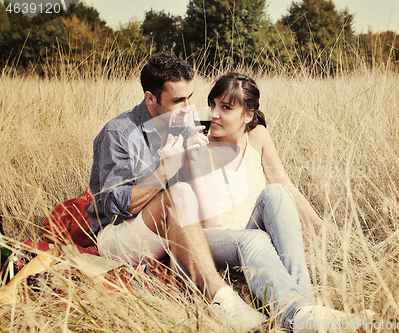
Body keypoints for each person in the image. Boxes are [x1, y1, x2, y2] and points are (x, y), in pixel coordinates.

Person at [87, 54, 266, 331]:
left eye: (190, 97)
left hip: (168, 231)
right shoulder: (119, 133)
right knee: (179, 193)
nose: (188, 108)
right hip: (116, 235)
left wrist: (197, 158)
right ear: (150, 99)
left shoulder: (185, 124)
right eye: (178, 101)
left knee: (191, 197)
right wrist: (164, 173)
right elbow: (112, 204)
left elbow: (208, 218)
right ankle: (222, 300)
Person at [201, 72, 374, 332]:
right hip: (213, 238)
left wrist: (322, 228)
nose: (214, 113)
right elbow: (206, 222)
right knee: (255, 239)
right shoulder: (199, 144)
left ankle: (302, 313)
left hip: (250, 231)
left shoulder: (257, 136)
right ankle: (303, 316)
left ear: (248, 115)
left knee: (276, 193)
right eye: (212, 104)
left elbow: (286, 187)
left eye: (226, 107)